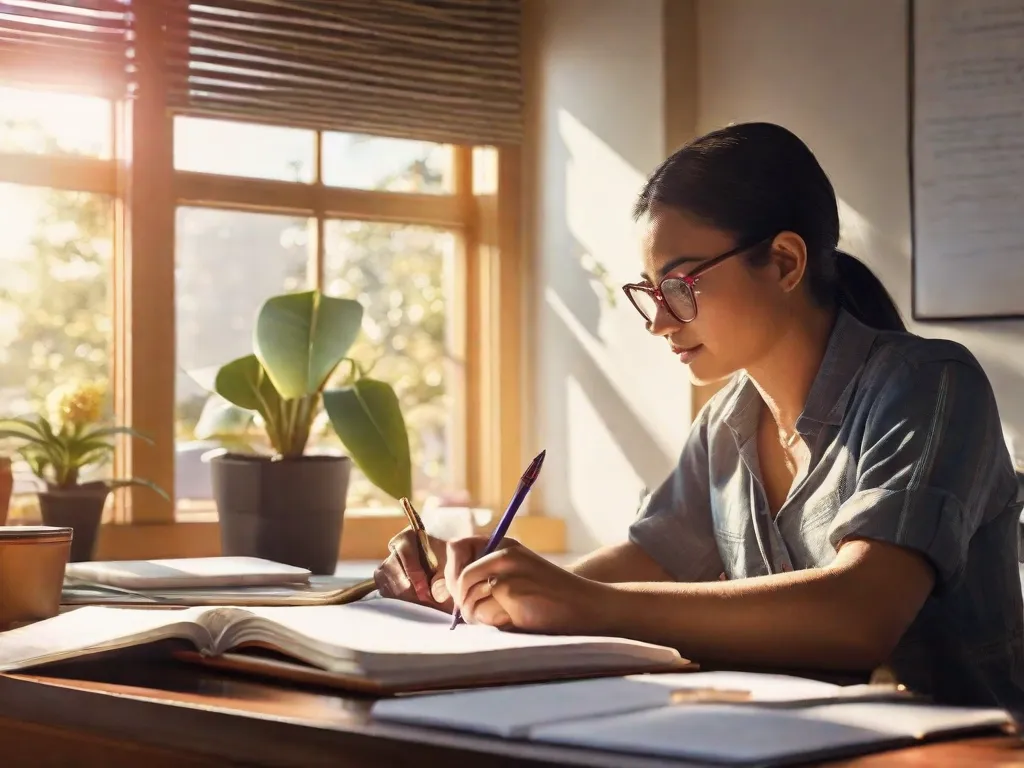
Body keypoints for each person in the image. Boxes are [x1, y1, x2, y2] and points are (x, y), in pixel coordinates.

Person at [374, 122, 1024, 709]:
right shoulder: (726, 425)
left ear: (785, 262)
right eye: (649, 292)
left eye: (681, 285)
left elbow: (858, 617)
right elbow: (636, 566)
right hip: (794, 746)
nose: (658, 320)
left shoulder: (929, 385)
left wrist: (582, 603)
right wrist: (479, 586)